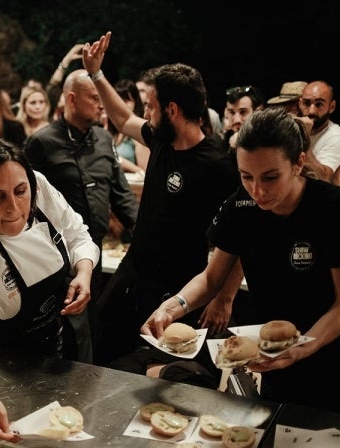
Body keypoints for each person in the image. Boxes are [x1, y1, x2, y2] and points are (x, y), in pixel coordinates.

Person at [142, 108, 340, 418]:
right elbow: (211, 278)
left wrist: (302, 349)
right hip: (276, 361)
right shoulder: (240, 206)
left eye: (270, 177)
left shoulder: (334, 208)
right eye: (246, 176)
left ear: (298, 163)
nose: (257, 190)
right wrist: (172, 307)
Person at [81, 32, 242, 366]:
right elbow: (123, 119)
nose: (147, 114)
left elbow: (241, 233)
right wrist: (96, 73)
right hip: (134, 270)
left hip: (180, 284)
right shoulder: (160, 140)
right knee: (101, 346)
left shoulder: (219, 164)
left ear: (172, 110)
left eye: (151, 107)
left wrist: (224, 297)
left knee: (158, 369)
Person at [0, 138, 100, 441]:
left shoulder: (37, 186)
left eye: (20, 193)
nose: (14, 208)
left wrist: (84, 271)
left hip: (52, 352)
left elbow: (78, 233)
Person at [24, 69, 139, 363]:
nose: (103, 104)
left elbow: (121, 193)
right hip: (53, 257)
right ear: (72, 99)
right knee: (64, 332)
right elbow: (27, 200)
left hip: (94, 252)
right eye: (95, 97)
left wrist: (144, 233)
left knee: (91, 327)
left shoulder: (103, 139)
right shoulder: (41, 143)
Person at [296, 80, 340, 181]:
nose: (311, 111)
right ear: (300, 103)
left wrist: (304, 137)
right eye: (306, 103)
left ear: (332, 107)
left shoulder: (336, 136)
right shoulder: (290, 127)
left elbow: (324, 177)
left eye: (319, 104)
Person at [106, 79, 150, 173]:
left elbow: (144, 174)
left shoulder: (140, 130)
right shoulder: (111, 130)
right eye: (118, 100)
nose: (121, 104)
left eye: (126, 100)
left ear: (136, 102)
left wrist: (119, 160)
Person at [221, 85, 265, 162]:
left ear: (257, 112)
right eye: (231, 112)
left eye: (243, 112)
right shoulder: (220, 142)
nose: (236, 120)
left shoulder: (267, 143)